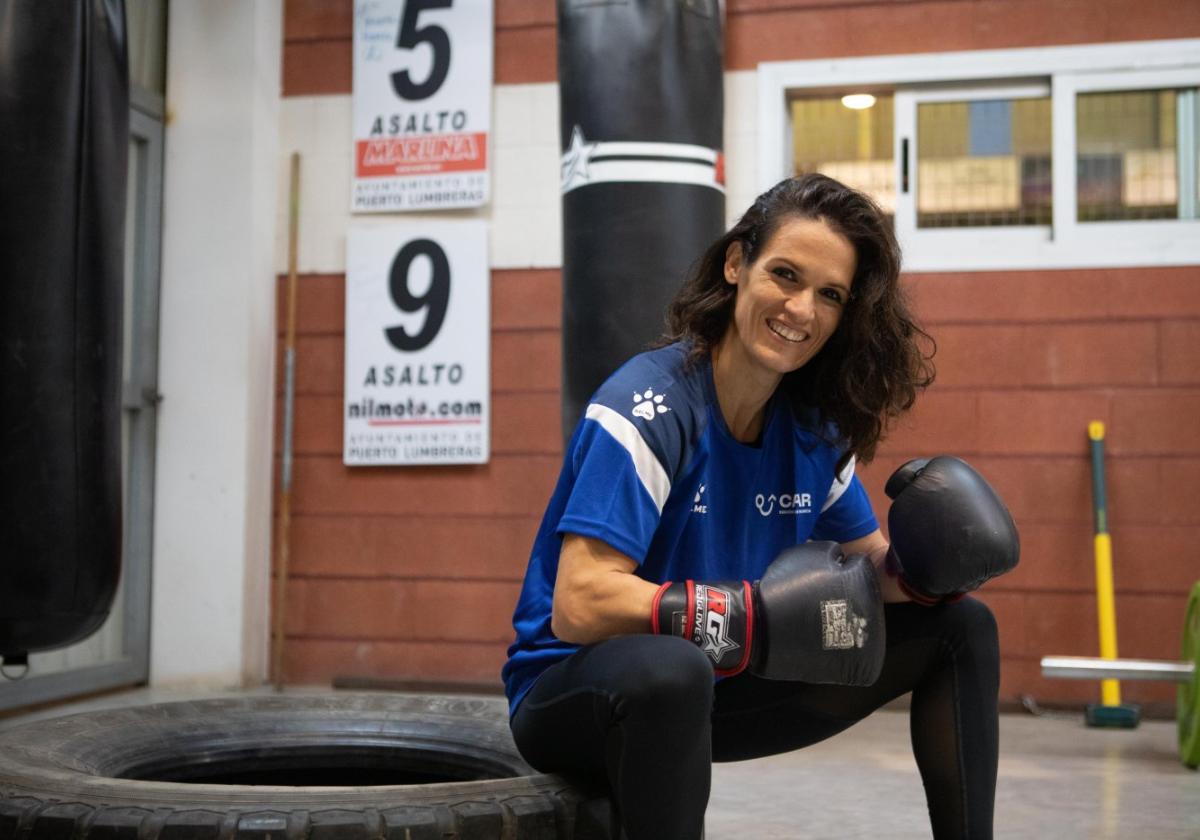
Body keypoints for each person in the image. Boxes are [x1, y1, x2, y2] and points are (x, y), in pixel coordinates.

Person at [501, 174, 1018, 839]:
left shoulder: (813, 430)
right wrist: (738, 614)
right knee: (675, 662)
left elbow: (867, 579)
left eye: (828, 295)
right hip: (574, 692)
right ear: (736, 263)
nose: (801, 309)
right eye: (785, 275)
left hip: (712, 687)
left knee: (961, 628)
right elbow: (578, 604)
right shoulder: (649, 408)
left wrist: (924, 573)